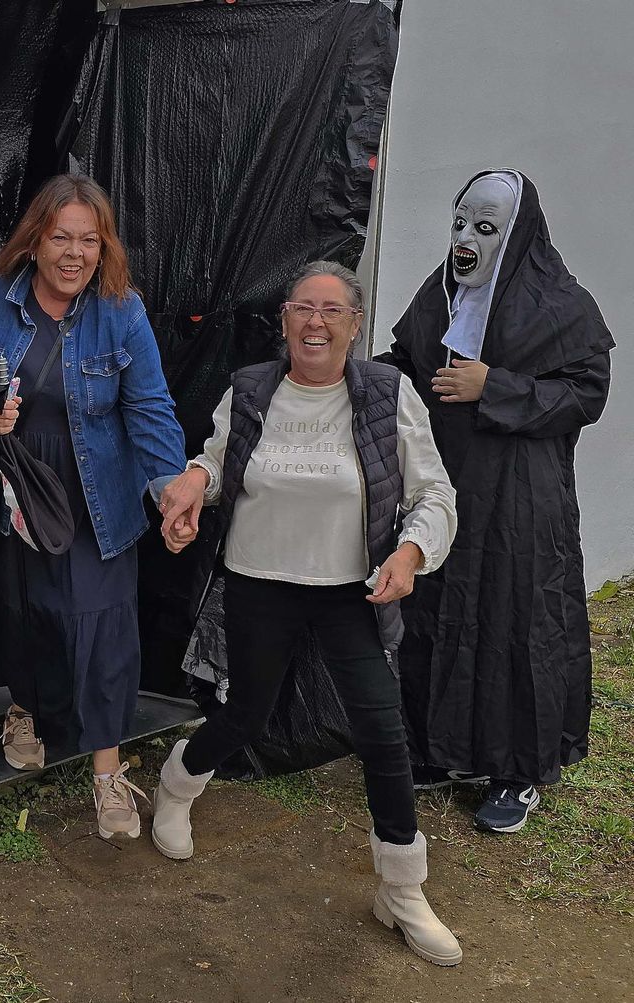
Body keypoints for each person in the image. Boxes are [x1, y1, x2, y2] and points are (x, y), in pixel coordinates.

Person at [153, 262, 463, 967]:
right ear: (286, 319)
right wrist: (192, 488)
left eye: (331, 309)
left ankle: (401, 889)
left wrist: (411, 554)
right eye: (302, 307)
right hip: (260, 581)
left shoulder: (388, 394)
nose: (315, 321)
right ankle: (177, 785)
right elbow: (216, 454)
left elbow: (435, 493)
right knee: (245, 717)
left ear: (355, 324)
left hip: (351, 590)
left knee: (383, 731)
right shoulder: (254, 388)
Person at [0, 173, 186, 839]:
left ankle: (107, 772)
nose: (74, 253)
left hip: (97, 490)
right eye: (61, 237)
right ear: (35, 241)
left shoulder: (121, 310)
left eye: (89, 239)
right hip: (19, 483)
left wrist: (168, 486)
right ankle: (24, 707)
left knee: (105, 625)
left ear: (104, 247)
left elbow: (149, 408)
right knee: (26, 610)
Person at [381, 171, 614, 834]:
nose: (463, 240)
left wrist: (495, 385)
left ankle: (518, 771)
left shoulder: (562, 304)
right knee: (440, 608)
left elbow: (585, 394)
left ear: (516, 234)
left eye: (484, 229)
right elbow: (411, 358)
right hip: (451, 481)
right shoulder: (445, 293)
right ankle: (441, 751)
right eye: (459, 223)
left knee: (518, 621)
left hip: (521, 498)